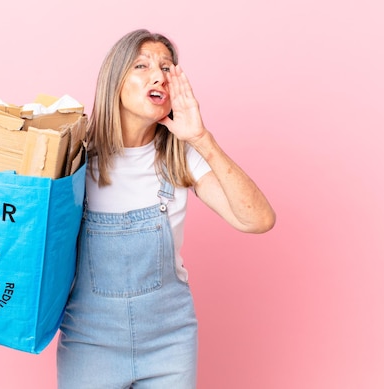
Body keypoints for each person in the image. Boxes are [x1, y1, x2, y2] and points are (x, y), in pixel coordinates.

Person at [55, 29, 275, 388]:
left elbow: (258, 220)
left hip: (170, 341)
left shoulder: (182, 158)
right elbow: (24, 225)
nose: (158, 75)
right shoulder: (75, 157)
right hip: (89, 341)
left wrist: (201, 139)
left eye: (166, 67)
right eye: (141, 65)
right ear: (114, 80)